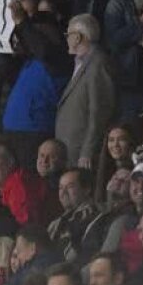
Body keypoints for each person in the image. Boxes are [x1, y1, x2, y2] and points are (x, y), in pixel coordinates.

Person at [53, 14, 116, 169]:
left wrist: (87, 150)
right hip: (70, 149)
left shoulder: (98, 63)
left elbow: (99, 112)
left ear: (78, 37)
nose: (66, 39)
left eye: (68, 35)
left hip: (80, 152)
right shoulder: (84, 62)